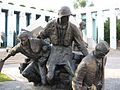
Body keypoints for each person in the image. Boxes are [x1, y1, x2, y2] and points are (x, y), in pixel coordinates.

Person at [37, 6, 88, 83]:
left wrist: (88, 57)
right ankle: (54, 84)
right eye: (64, 17)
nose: (66, 19)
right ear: (59, 16)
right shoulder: (51, 24)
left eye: (68, 16)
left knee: (73, 74)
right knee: (49, 77)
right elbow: (42, 35)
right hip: (55, 52)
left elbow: (81, 44)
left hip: (66, 52)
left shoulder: (73, 28)